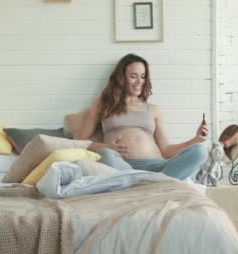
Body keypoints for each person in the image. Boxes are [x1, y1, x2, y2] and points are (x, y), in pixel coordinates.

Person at [75, 53, 207, 180]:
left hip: (157, 166)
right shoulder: (102, 104)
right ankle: (153, 183)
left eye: (143, 76)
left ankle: (147, 182)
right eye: (133, 76)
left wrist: (195, 140)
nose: (139, 81)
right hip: (122, 165)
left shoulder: (153, 109)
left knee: (200, 151)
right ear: (121, 78)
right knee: (106, 154)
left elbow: (165, 150)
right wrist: (103, 147)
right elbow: (80, 141)